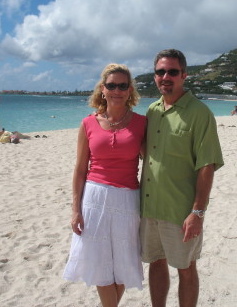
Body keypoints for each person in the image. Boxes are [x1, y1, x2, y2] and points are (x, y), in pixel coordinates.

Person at [140, 49, 224, 307]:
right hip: (150, 207)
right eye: (160, 72)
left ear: (184, 75)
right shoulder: (152, 110)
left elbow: (207, 165)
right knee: (156, 262)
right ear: (154, 77)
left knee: (186, 268)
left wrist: (197, 212)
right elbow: (147, 153)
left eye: (172, 71)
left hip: (181, 211)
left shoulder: (200, 113)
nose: (165, 76)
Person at [63, 64, 146, 307]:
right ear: (102, 89)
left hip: (128, 200)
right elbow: (79, 170)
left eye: (122, 86)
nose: (117, 90)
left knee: (123, 262)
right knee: (99, 262)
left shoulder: (142, 123)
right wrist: (75, 209)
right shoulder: (88, 123)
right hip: (94, 199)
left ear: (130, 90)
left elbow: (154, 163)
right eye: (111, 85)